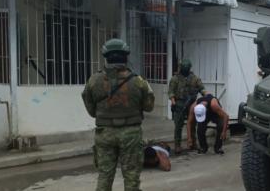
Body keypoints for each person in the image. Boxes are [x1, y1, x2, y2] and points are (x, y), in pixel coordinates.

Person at [81, 38, 155, 191]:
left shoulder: (94, 81)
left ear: (105, 56)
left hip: (105, 134)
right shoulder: (138, 81)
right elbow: (149, 107)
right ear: (125, 56)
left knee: (104, 176)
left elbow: (91, 111)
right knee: (132, 176)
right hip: (131, 134)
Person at [168, 59, 206, 154]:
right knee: (178, 125)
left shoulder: (194, 78)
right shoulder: (175, 78)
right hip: (179, 103)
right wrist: (173, 101)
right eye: (183, 68)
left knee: (193, 124)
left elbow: (202, 88)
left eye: (186, 68)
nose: (184, 69)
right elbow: (171, 91)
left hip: (192, 104)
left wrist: (207, 96)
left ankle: (193, 143)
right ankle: (177, 145)